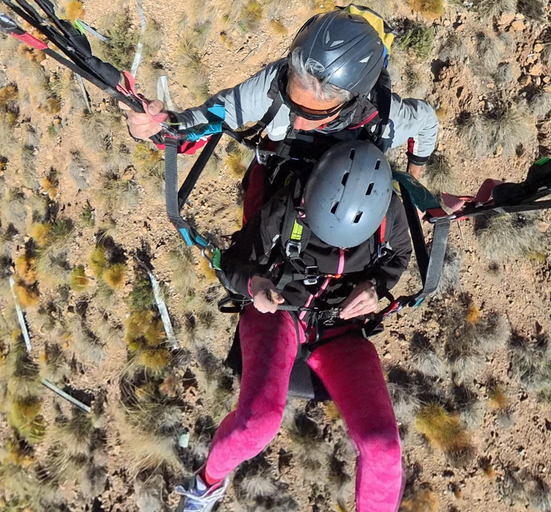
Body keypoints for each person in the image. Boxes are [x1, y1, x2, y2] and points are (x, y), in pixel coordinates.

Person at [174, 140, 412, 512]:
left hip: (339, 327)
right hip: (280, 313)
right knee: (257, 423)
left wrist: (376, 286)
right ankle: (206, 484)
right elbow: (233, 264)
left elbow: (400, 255)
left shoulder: (388, 212)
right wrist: (257, 286)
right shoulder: (288, 208)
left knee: (383, 448)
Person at [121, 8, 438, 221]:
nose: (297, 122)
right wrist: (157, 127)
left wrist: (412, 179)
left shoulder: (383, 119)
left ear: (349, 103)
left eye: (313, 114)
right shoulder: (272, 87)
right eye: (292, 102)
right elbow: (204, 123)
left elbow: (427, 123)